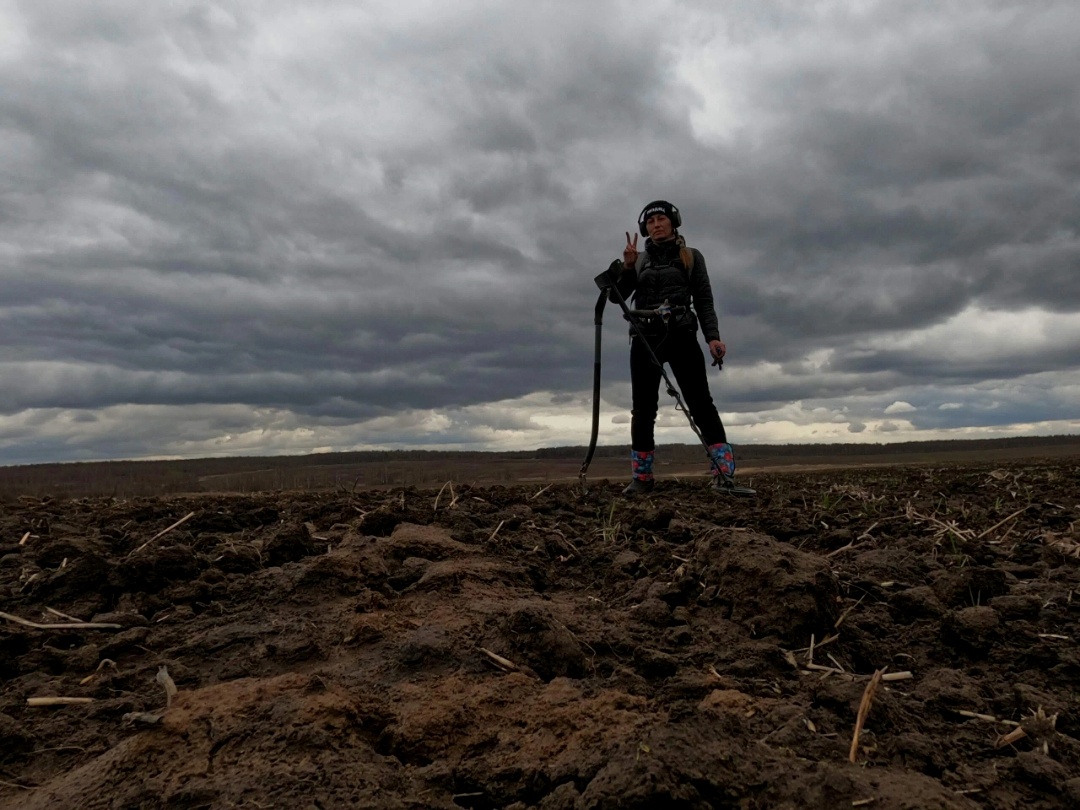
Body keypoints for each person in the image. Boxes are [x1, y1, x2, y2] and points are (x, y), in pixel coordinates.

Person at [610, 200, 737, 495]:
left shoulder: (691, 256)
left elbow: (704, 300)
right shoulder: (638, 261)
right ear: (646, 228)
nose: (656, 224)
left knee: (701, 404)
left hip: (681, 334)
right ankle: (642, 478)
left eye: (661, 219)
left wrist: (712, 337)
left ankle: (724, 473)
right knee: (643, 411)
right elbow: (618, 298)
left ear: (673, 222)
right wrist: (628, 268)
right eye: (651, 221)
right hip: (644, 339)